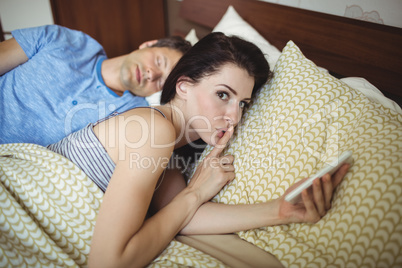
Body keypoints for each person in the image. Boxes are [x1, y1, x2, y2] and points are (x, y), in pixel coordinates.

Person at [46, 32, 350, 267]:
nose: (235, 117)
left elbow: (182, 216)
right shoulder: (154, 129)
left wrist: (281, 210)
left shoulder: (172, 157)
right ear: (183, 86)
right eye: (222, 94)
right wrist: (195, 193)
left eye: (242, 103)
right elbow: (109, 262)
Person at [0, 24, 191, 146]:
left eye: (161, 82)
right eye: (159, 62)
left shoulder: (134, 116)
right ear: (149, 44)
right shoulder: (61, 40)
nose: (152, 74)